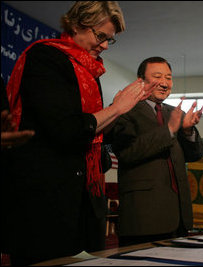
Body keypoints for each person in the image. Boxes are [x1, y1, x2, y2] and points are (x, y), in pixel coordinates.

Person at [1, 2, 158, 265]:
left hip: (83, 198)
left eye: (110, 40)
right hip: (46, 200)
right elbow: (67, 129)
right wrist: (116, 108)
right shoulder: (46, 58)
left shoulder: (89, 70)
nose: (105, 46)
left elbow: (93, 134)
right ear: (76, 25)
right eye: (101, 36)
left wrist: (117, 111)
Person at [111, 56, 203, 246]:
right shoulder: (124, 109)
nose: (164, 83)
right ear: (141, 80)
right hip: (143, 218)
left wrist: (187, 131)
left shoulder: (174, 112)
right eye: (157, 76)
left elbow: (195, 155)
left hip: (179, 218)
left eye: (168, 77)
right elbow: (126, 153)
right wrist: (169, 131)